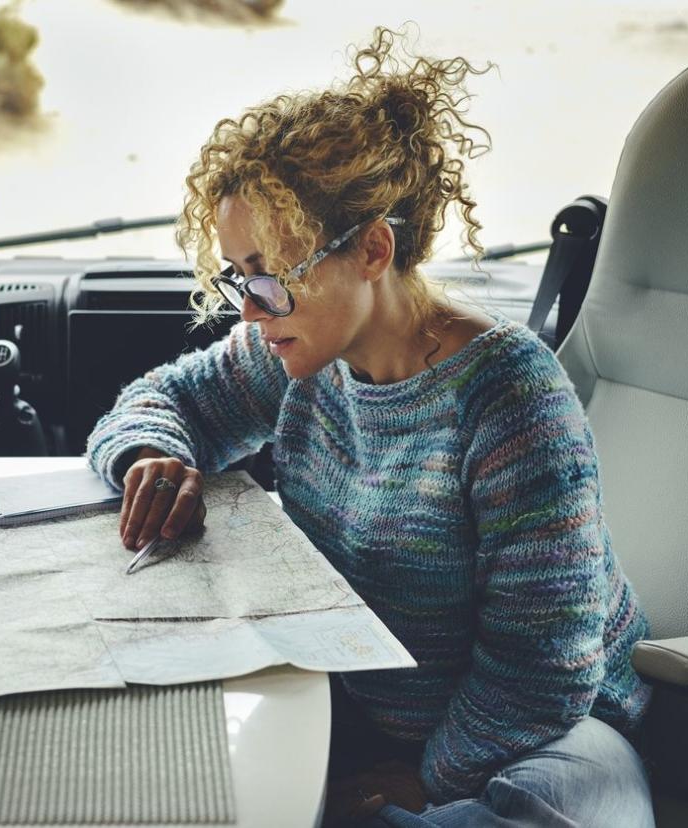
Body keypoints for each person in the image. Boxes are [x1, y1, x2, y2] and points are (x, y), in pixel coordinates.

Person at [86, 26, 654, 827]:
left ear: (373, 251)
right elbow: (159, 400)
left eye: (269, 278)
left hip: (549, 738)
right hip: (365, 707)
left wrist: (426, 777)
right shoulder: (295, 354)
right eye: (236, 277)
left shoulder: (510, 397)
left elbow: (543, 673)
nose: (248, 309)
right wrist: (155, 455)